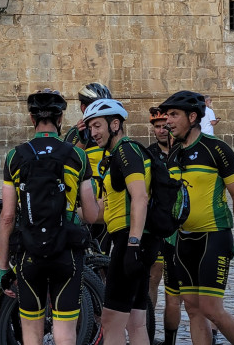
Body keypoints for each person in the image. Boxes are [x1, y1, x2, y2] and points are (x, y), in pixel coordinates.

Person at [0, 88, 99, 345]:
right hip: (66, 252)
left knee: (31, 331)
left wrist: (2, 268)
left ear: (32, 120)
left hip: (29, 252)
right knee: (65, 333)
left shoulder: (15, 157)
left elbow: (8, 216)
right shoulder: (77, 156)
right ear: (61, 119)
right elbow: (89, 214)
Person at [159, 91, 234, 345]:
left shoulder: (217, 150)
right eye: (167, 115)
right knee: (193, 310)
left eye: (174, 115)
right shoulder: (174, 154)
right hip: (183, 241)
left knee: (211, 309)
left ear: (192, 117)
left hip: (214, 236)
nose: (168, 121)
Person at [82, 98, 156, 345]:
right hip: (135, 241)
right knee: (136, 322)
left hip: (131, 241)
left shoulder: (126, 151)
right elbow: (100, 213)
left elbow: (140, 197)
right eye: (90, 128)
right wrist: (66, 213)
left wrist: (133, 245)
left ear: (115, 124)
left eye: (97, 126)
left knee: (111, 321)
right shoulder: (111, 158)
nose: (93, 133)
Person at [146, 107, 182, 345]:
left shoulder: (182, 153)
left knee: (176, 292)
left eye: (164, 126)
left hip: (181, 229)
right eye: (157, 127)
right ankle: (147, 335)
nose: (161, 130)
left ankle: (170, 340)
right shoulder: (147, 154)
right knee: (152, 280)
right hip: (157, 229)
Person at [64, 82, 112, 252]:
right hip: (83, 206)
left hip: (106, 204)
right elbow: (67, 165)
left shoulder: (109, 133)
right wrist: (82, 140)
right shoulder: (74, 134)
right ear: (84, 108)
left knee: (104, 254)